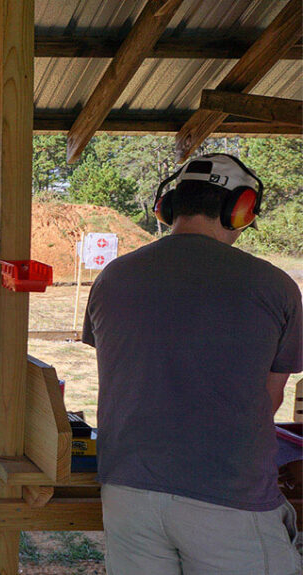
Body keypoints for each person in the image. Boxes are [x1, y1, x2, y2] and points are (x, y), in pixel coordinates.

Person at [83, 152, 302, 574]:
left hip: (127, 491)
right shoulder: (274, 286)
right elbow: (269, 399)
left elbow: (126, 374)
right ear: (238, 210)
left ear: (167, 207)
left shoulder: (112, 277)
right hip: (228, 496)